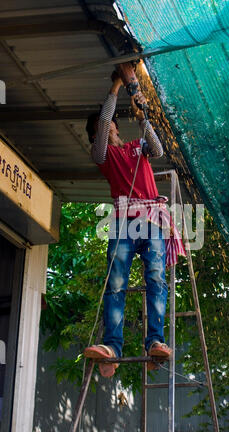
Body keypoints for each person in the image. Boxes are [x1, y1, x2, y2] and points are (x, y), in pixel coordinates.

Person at [84, 72, 185, 377]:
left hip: (151, 221)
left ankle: (155, 341)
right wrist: (116, 87)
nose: (112, 125)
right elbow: (102, 124)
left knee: (156, 277)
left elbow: (157, 150)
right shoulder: (103, 155)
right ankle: (112, 347)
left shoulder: (135, 148)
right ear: (98, 133)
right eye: (107, 124)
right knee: (116, 283)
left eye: (113, 123)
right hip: (123, 225)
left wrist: (142, 116)